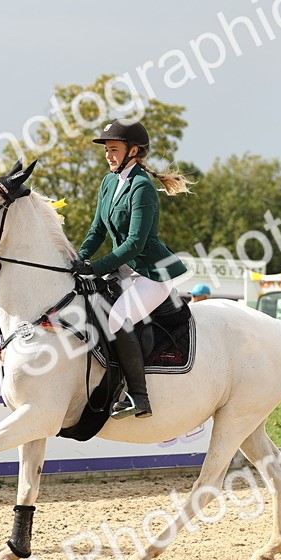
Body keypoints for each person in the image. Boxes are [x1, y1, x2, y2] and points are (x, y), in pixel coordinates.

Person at [71, 118, 190, 419]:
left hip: (150, 274)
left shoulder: (142, 188)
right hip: (124, 270)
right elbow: (97, 229)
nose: (108, 155)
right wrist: (79, 259)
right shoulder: (109, 182)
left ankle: (139, 396)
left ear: (133, 151)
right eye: (106, 150)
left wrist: (95, 268)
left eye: (114, 149)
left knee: (118, 317)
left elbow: (135, 244)